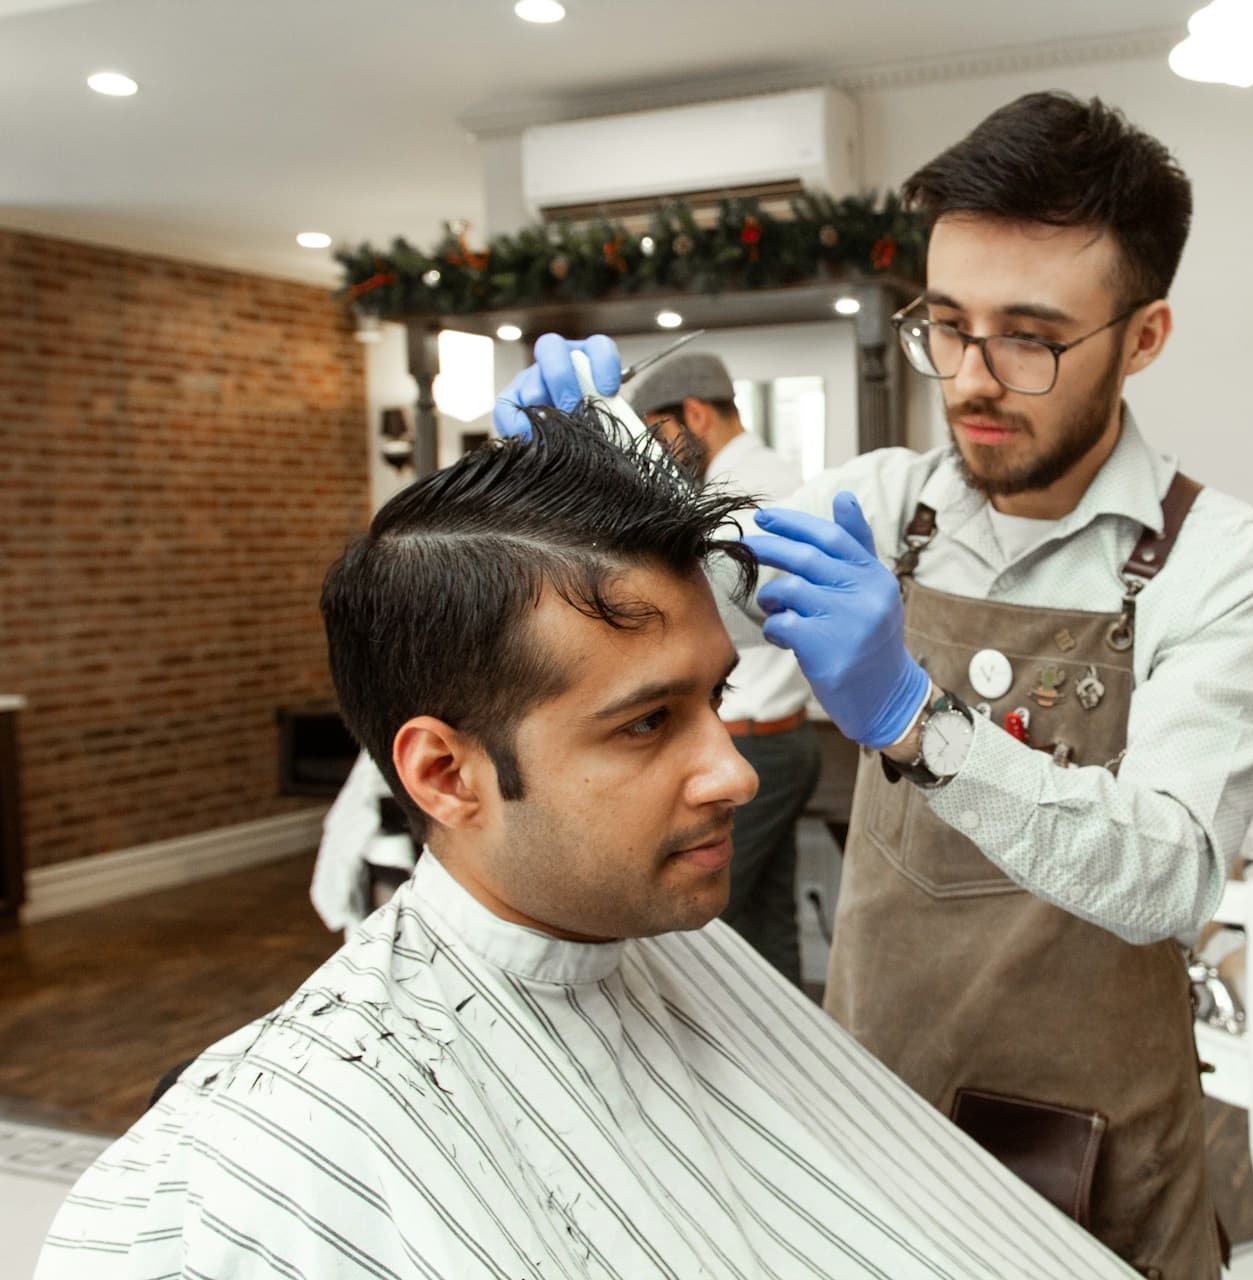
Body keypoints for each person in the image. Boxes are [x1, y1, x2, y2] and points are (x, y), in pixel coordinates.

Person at [34, 400, 1142, 1280]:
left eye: (716, 697)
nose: (735, 769)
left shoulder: (668, 940)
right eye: (648, 722)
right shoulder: (256, 1159)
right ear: (442, 771)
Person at [498, 92, 1253, 1280]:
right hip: (869, 1097)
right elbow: (688, 581)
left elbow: (1172, 873)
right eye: (946, 323)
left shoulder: (1225, 563)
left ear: (1143, 337)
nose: (972, 378)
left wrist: (917, 724)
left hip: (1086, 1140)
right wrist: (588, 457)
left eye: (1030, 335)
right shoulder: (881, 505)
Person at [629, 352, 818, 986]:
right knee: (767, 927)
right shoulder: (769, 473)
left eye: (659, 434)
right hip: (776, 738)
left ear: (697, 414)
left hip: (753, 742)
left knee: (695, 942)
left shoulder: (747, 494)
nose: (657, 454)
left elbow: (697, 617)